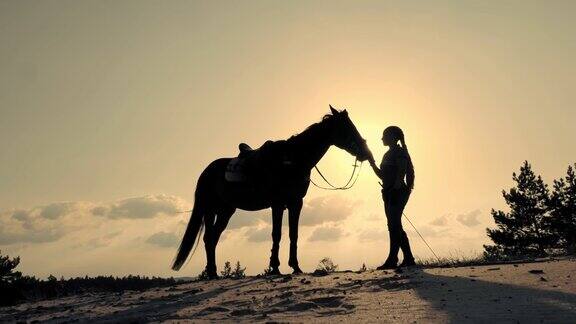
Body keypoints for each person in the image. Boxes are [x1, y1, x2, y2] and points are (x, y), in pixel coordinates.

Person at [368, 126, 416, 269]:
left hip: (398, 192)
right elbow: (382, 175)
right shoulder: (387, 154)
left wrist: (396, 187)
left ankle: (393, 259)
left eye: (385, 135)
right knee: (393, 225)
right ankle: (408, 258)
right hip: (388, 192)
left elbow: (401, 172)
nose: (382, 138)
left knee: (394, 224)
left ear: (393, 137)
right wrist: (372, 163)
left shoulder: (400, 152)